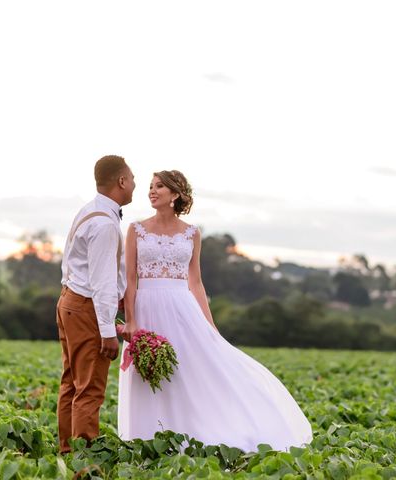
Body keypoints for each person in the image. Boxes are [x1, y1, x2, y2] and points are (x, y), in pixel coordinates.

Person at [117, 170, 312, 452]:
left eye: (159, 186)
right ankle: (148, 437)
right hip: (146, 307)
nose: (152, 190)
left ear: (175, 195)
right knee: (148, 373)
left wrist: (210, 326)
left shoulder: (192, 234)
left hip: (182, 308)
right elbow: (130, 278)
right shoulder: (136, 229)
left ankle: (194, 431)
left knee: (189, 371)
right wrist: (132, 320)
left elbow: (195, 282)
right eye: (150, 186)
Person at [56, 154, 135, 454]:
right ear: (122, 181)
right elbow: (102, 283)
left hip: (70, 300)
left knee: (72, 382)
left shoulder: (89, 211)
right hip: (87, 306)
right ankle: (84, 464)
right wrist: (107, 332)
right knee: (89, 389)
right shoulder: (105, 225)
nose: (135, 184)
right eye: (133, 178)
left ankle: (67, 452)